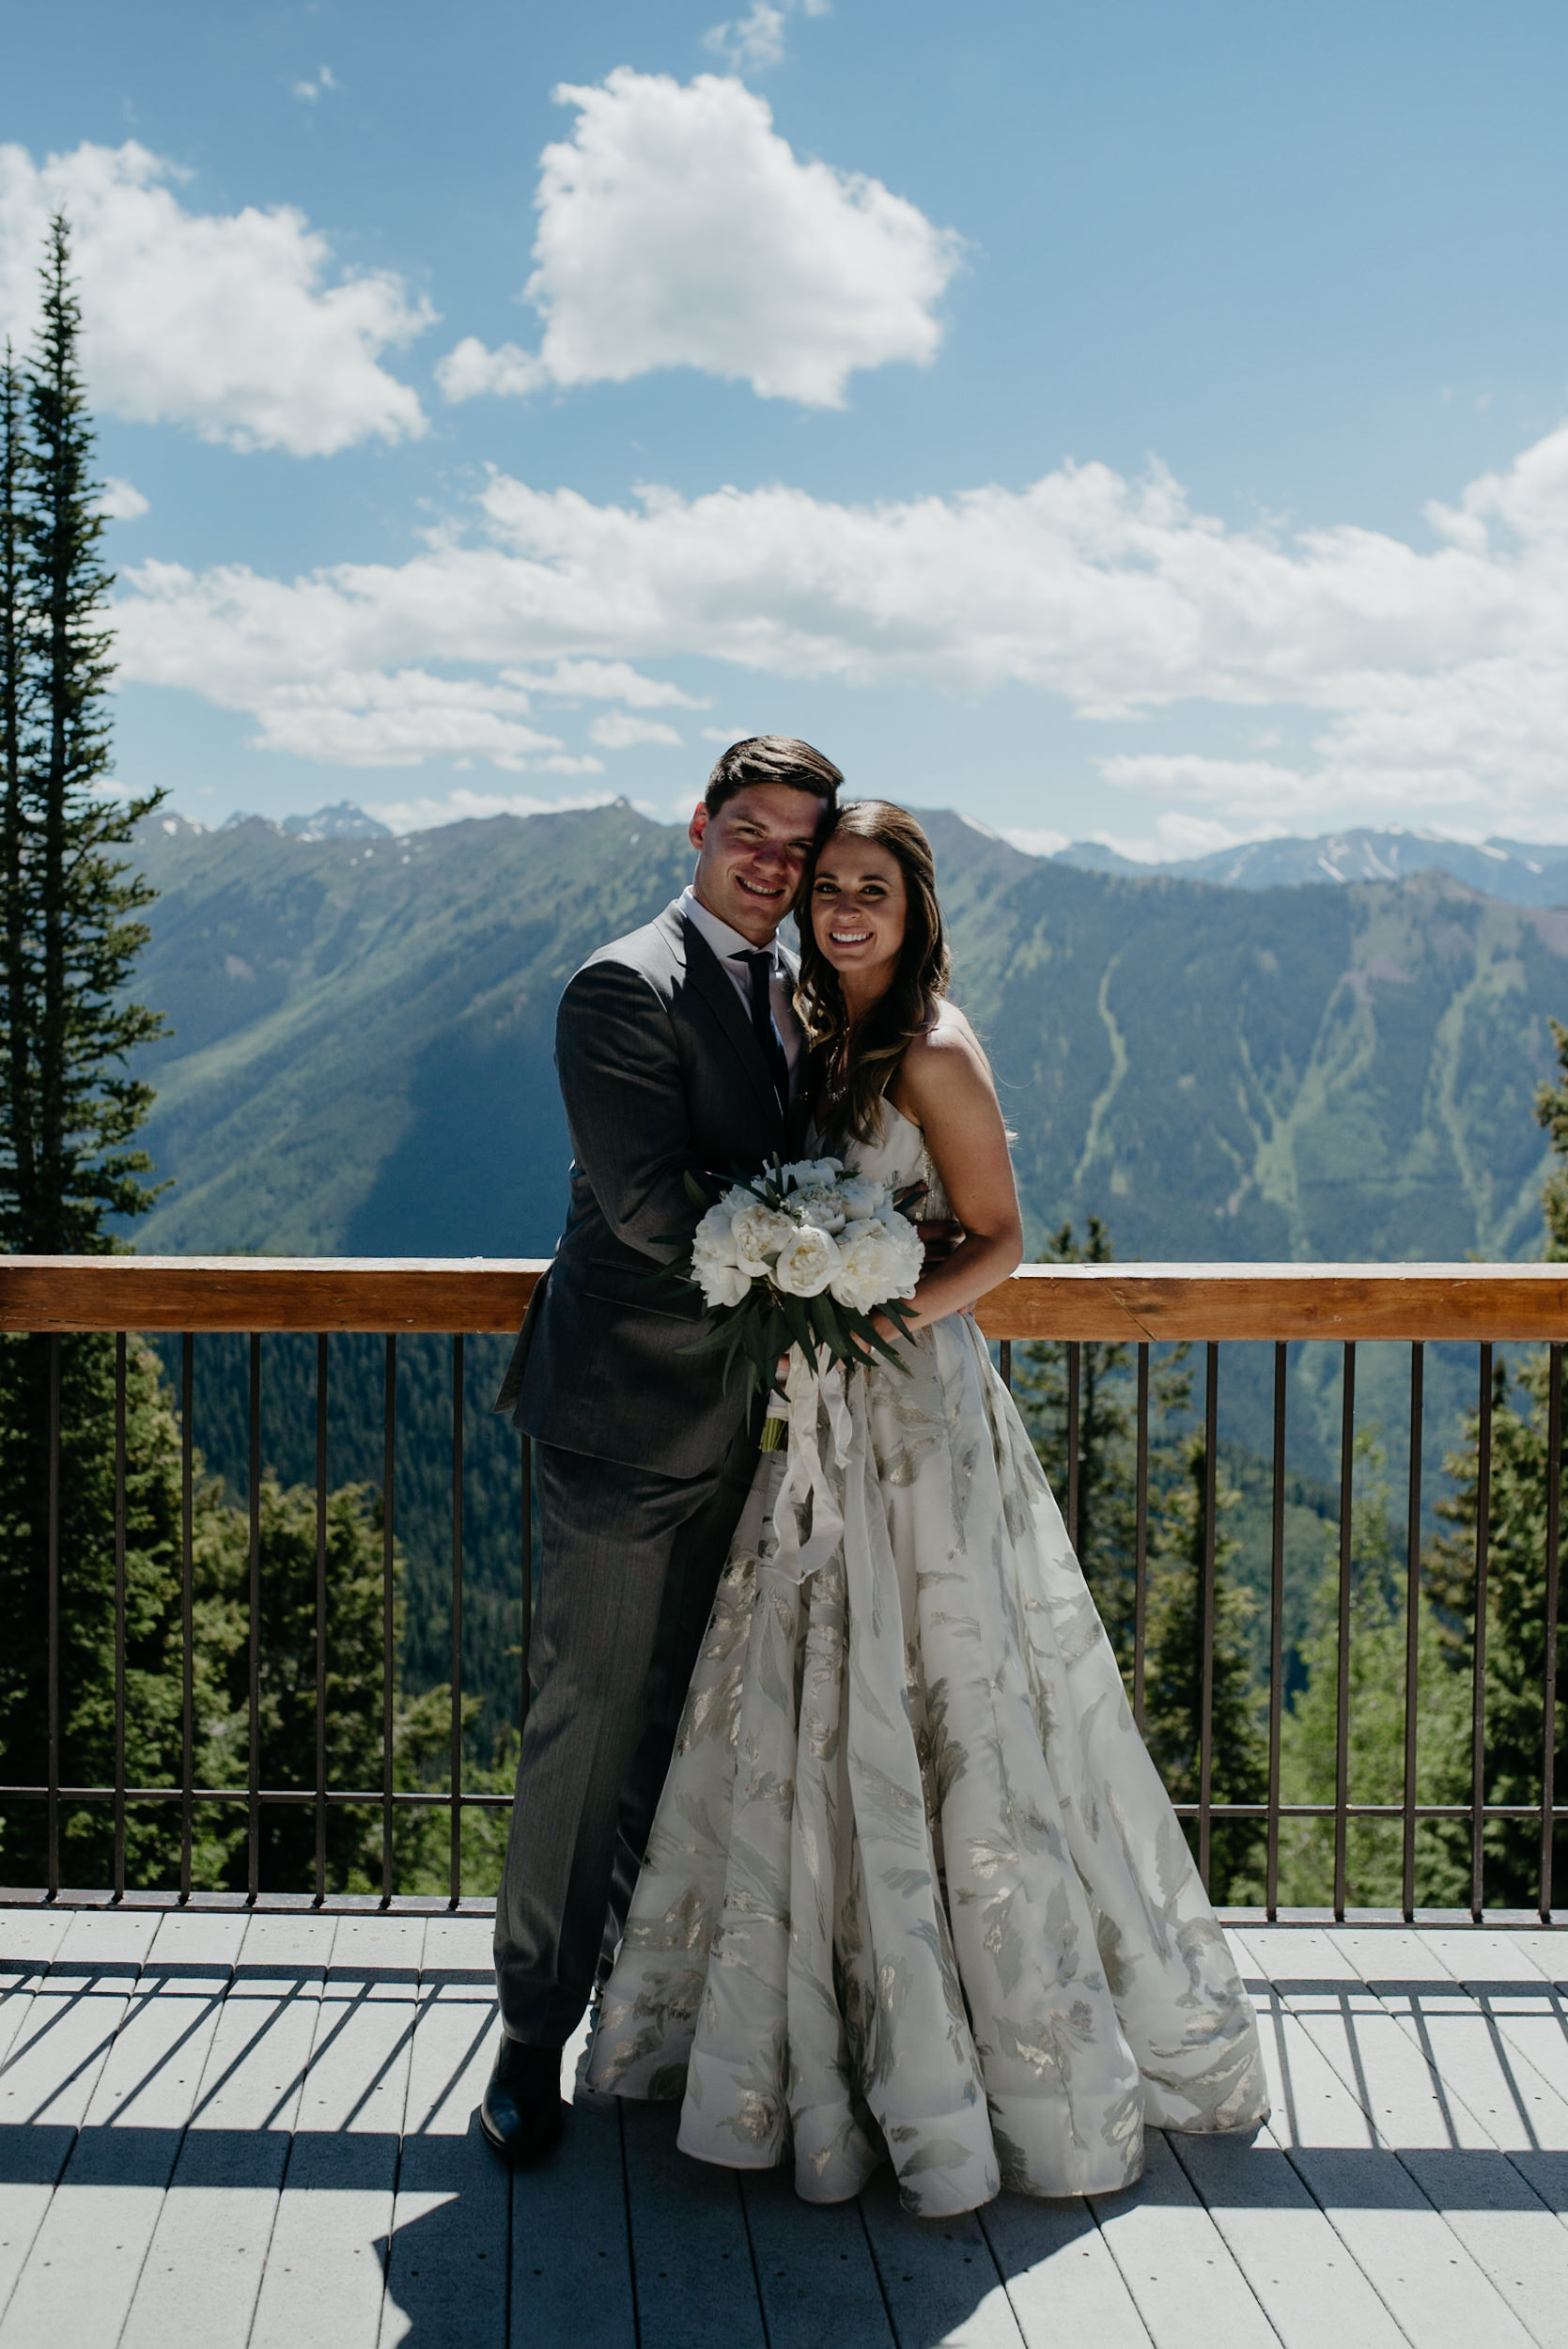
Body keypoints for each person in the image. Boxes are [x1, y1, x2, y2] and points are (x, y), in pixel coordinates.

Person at [585, 800, 1269, 2215]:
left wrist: (884, 1308)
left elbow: (1002, 1236)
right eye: (827, 885)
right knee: (815, 1691)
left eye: (869, 890)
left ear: (913, 908)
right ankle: (812, 2021)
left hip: (913, 1414)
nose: (841, 907)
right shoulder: (811, 1029)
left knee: (940, 1691)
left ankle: (968, 2040)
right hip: (820, 1420)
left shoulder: (936, 1046)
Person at [481, 736, 842, 2165]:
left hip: (757, 1433)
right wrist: (837, 1254)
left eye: (796, 847)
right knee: (587, 1734)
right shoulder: (622, 984)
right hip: (625, 1426)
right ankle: (527, 2033)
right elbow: (647, 1208)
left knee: (694, 1736)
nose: (770, 862)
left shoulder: (800, 987)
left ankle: (653, 2014)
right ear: (697, 827)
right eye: (747, 831)